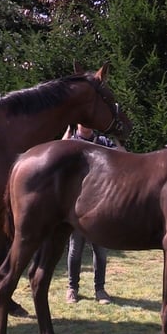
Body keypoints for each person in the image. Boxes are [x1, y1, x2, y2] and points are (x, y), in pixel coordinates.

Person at [63, 124, 122, 305]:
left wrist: (117, 137)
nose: (86, 124)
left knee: (101, 251)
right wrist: (68, 130)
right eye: (82, 121)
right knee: (75, 250)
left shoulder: (103, 141)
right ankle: (72, 288)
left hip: (99, 206)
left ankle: (100, 290)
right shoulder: (72, 142)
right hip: (78, 206)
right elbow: (57, 155)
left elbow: (123, 157)